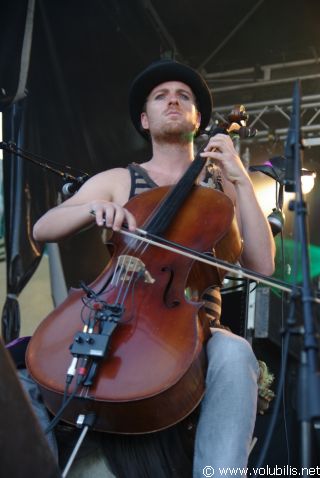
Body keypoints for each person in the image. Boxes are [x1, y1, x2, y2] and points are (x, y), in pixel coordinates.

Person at [32, 59, 275, 477]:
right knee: (29, 375)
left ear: (198, 119)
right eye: (161, 97)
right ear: (145, 120)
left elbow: (262, 263)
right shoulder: (120, 180)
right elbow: (43, 228)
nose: (174, 100)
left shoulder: (220, 188)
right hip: (117, 313)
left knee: (235, 354)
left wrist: (237, 176)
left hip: (191, 324)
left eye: (184, 96)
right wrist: (93, 207)